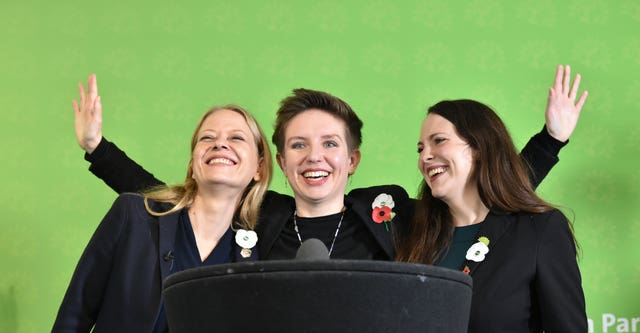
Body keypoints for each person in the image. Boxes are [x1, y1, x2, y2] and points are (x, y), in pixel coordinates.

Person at [72, 66, 576, 261]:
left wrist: (550, 141)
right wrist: (98, 149)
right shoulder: (257, 215)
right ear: (279, 163)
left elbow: (481, 196)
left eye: (330, 145)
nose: (315, 157)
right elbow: (173, 198)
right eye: (298, 146)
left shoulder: (391, 213)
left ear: (352, 159)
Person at [26, 77, 273, 333]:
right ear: (193, 163)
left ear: (259, 167)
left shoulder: (261, 251)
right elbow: (70, 329)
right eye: (207, 138)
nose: (220, 145)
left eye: (236, 138)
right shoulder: (135, 218)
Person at [396, 96, 596, 333]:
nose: (425, 156)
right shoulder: (411, 230)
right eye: (420, 148)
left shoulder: (537, 230)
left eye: (438, 141)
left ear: (478, 146)